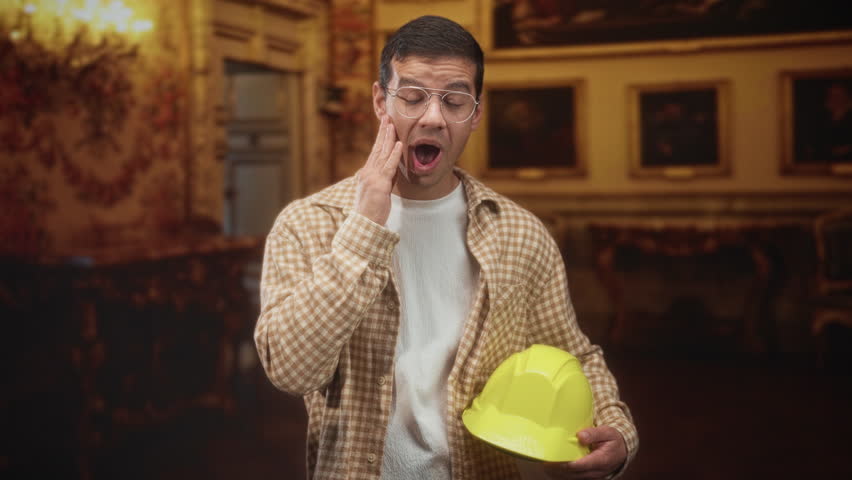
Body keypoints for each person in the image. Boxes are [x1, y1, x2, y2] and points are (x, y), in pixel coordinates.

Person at [254, 15, 638, 480]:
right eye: (413, 97)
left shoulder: (520, 234)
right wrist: (364, 227)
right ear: (381, 101)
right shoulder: (308, 224)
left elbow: (571, 356)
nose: (433, 117)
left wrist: (617, 430)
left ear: (475, 114)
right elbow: (291, 371)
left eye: (454, 101)